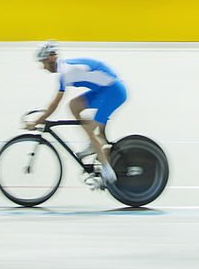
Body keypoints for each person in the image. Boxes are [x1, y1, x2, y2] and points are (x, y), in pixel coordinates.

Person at [26, 41, 126, 186]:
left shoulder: (67, 71)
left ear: (51, 58)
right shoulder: (64, 71)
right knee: (74, 105)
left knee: (91, 130)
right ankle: (95, 144)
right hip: (104, 90)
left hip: (113, 92)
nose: (44, 67)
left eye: (44, 62)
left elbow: (54, 104)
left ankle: (107, 171)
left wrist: (37, 121)